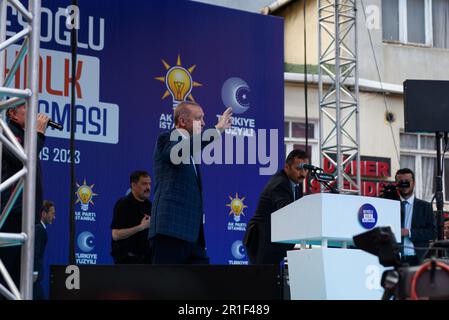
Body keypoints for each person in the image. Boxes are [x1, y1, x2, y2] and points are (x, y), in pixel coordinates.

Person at [149, 101, 232, 264]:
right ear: (182, 121)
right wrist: (216, 131)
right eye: (199, 118)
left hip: (193, 237)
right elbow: (178, 152)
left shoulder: (191, 152)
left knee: (200, 287)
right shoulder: (166, 138)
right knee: (165, 288)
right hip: (170, 232)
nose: (203, 123)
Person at [0, 103, 49, 290]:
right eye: (25, 108)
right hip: (13, 213)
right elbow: (24, 158)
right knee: (8, 277)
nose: (33, 114)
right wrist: (39, 134)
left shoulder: (26, 136)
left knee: (24, 279)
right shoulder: (7, 133)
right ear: (12, 113)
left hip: (28, 215)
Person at [243, 149, 309, 265]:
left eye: (305, 169)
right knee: (262, 279)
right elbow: (286, 210)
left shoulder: (295, 184)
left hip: (273, 240)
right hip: (261, 240)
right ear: (287, 167)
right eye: (298, 169)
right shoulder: (280, 184)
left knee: (269, 280)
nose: (303, 174)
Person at [110, 171, 153, 264]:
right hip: (127, 262)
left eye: (149, 184)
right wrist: (141, 227)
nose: (148, 187)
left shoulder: (150, 206)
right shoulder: (123, 205)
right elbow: (116, 235)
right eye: (144, 184)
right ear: (133, 185)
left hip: (147, 262)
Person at [396, 168, 436, 265]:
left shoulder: (425, 207)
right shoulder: (389, 205)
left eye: (407, 182)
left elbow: (432, 233)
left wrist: (409, 232)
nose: (404, 185)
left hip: (417, 259)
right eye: (401, 182)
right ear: (396, 184)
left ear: (414, 183)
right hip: (394, 259)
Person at [33, 200, 56, 300]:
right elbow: (34, 252)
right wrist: (34, 272)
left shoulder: (41, 229)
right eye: (52, 213)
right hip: (33, 278)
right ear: (43, 214)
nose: (54, 217)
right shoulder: (39, 230)